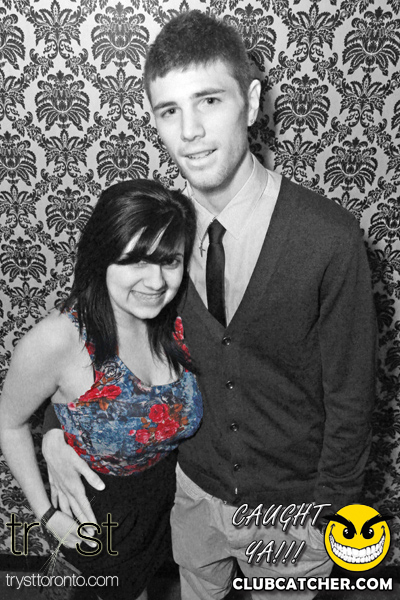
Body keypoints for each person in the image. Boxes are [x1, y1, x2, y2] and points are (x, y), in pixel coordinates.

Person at [41, 10, 376, 600]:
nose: (190, 131)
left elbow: (352, 397)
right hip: (191, 496)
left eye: (210, 101)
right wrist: (52, 431)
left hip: (293, 514)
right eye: (170, 111)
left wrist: (335, 517)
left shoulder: (330, 238)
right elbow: (92, 337)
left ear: (251, 102)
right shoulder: (154, 234)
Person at [0, 179, 203, 600]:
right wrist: (46, 514)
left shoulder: (180, 318)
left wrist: (55, 430)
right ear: (101, 257)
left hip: (165, 508)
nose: (156, 281)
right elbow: (8, 423)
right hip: (97, 522)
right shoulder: (60, 340)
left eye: (169, 261)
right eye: (136, 260)